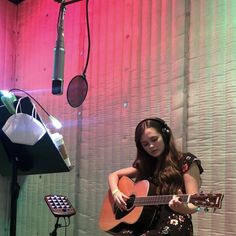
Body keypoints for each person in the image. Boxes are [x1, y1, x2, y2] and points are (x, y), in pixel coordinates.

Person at [108, 117, 204, 236]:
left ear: (165, 135)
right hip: (146, 221)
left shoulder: (186, 161)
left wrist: (182, 208)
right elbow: (114, 175)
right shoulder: (146, 165)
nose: (151, 146)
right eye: (145, 144)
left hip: (174, 221)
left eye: (154, 139)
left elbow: (194, 204)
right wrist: (115, 192)